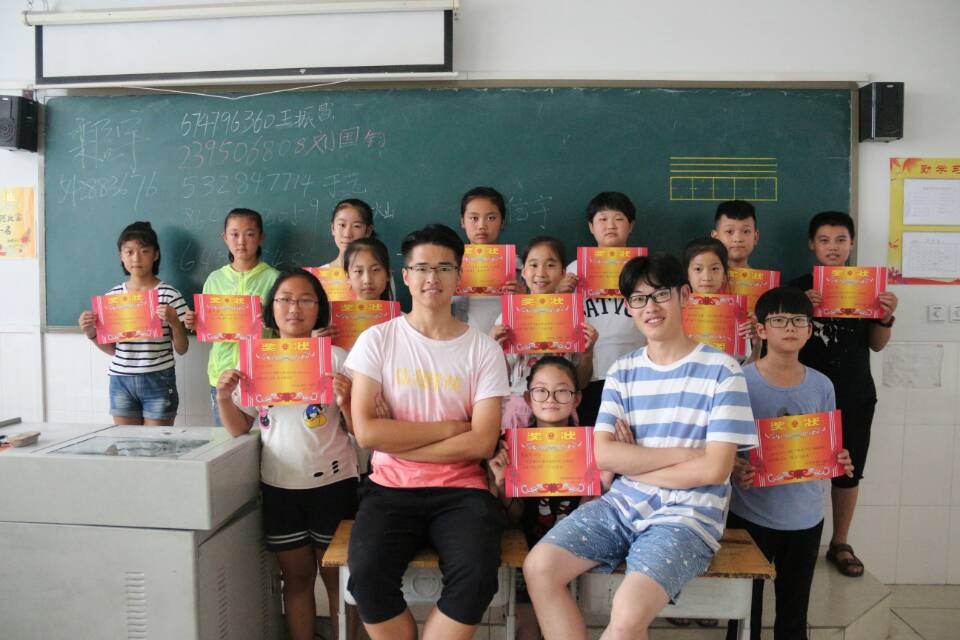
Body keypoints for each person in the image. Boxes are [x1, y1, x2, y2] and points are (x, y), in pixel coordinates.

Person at [523, 253, 757, 640]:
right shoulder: (623, 371)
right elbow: (604, 454)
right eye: (638, 298)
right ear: (629, 307)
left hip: (687, 517)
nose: (650, 307)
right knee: (540, 567)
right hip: (621, 506)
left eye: (660, 294)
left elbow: (714, 470)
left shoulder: (723, 371)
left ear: (684, 295)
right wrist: (687, 454)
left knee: (627, 614)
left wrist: (635, 464)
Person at [344, 224, 510, 640]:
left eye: (443, 268)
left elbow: (482, 441)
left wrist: (399, 438)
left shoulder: (484, 350)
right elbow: (367, 433)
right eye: (421, 268)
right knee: (366, 576)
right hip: (389, 488)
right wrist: (453, 428)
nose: (432, 278)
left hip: (462, 492)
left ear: (459, 275)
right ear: (405, 275)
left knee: (477, 577)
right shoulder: (376, 341)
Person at [215, 268, 359, 640]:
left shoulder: (337, 358)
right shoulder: (254, 361)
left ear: (319, 308)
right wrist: (223, 397)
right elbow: (239, 427)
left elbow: (358, 430)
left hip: (334, 484)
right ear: (271, 308)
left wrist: (346, 400)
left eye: (305, 300)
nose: (294, 308)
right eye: (285, 300)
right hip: (280, 487)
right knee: (296, 579)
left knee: (339, 582)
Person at [725, 286, 854, 640]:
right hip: (750, 514)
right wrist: (735, 466)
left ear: (810, 330)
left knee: (794, 614)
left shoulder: (822, 385)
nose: (790, 328)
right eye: (779, 320)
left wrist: (838, 458)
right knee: (743, 614)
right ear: (761, 329)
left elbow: (826, 444)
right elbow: (723, 442)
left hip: (805, 517)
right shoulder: (740, 382)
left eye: (799, 320)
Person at [789, 211, 897, 578]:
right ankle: (792, 539)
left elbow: (877, 345)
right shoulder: (797, 289)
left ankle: (840, 542)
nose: (832, 248)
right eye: (824, 240)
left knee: (849, 470)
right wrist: (801, 307)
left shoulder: (867, 288)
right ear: (811, 244)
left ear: (852, 244)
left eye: (840, 240)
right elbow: (780, 340)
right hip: (805, 395)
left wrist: (885, 317)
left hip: (853, 393)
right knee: (796, 466)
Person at [487, 355, 623, 640]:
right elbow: (514, 517)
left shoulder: (593, 445)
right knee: (526, 627)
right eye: (541, 391)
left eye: (562, 391)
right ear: (528, 397)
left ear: (577, 398)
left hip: (577, 548)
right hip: (528, 547)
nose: (550, 399)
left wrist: (604, 478)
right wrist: (501, 483)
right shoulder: (511, 446)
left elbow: (592, 513)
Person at [78, 221, 188, 426]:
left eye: (144, 251)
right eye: (129, 252)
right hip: (121, 380)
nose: (136, 258)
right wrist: (91, 332)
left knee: (157, 442)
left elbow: (182, 349)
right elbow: (113, 350)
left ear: (156, 254)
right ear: (121, 255)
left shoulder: (169, 295)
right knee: (126, 442)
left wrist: (174, 322)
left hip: (158, 379)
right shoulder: (112, 298)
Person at [488, 236, 598, 428]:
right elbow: (501, 378)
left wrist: (587, 353)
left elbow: (581, 382)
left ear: (563, 272)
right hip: (519, 405)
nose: (541, 273)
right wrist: (495, 350)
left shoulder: (575, 317)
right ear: (523, 272)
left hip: (560, 407)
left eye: (550, 265)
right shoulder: (508, 317)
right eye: (533, 265)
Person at [182, 208, 279, 426]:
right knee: (228, 439)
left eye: (249, 234)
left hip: (264, 373)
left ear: (261, 237)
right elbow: (206, 328)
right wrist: (195, 323)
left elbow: (285, 330)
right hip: (223, 375)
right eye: (234, 234)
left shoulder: (274, 279)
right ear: (225, 237)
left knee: (267, 437)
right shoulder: (214, 279)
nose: (241, 241)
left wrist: (269, 319)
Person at [558, 192, 645, 426]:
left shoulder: (643, 269)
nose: (610, 225)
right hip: (590, 373)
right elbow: (556, 325)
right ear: (591, 227)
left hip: (636, 371)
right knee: (594, 434)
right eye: (603, 219)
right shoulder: (574, 270)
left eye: (619, 219)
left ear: (631, 226)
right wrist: (560, 295)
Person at [452, 186, 521, 333]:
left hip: (504, 341)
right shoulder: (450, 264)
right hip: (462, 340)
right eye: (474, 218)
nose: (482, 226)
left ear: (502, 222)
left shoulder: (518, 266)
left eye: (491, 218)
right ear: (462, 221)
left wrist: (523, 298)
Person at [683, 236, 760, 364]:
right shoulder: (675, 312)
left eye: (715, 269)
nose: (707, 277)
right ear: (687, 274)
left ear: (724, 274)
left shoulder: (737, 314)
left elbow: (745, 369)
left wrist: (757, 346)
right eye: (698, 269)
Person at [322, 199, 376, 269]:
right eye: (342, 225)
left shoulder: (378, 273)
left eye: (356, 226)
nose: (347, 234)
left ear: (368, 231)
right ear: (333, 228)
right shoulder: (318, 273)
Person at [710, 199, 760, 269]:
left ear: (755, 237)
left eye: (746, 231)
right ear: (715, 237)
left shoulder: (766, 276)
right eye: (729, 231)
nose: (738, 239)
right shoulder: (703, 276)